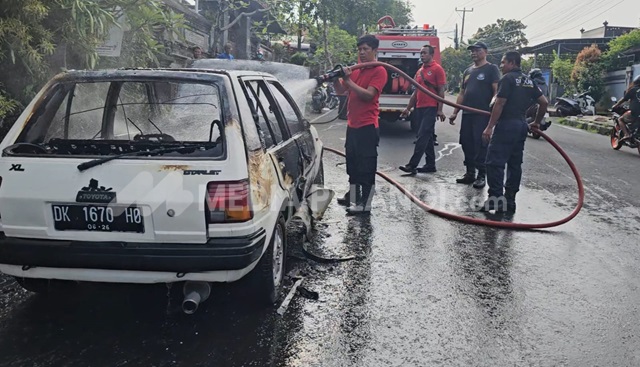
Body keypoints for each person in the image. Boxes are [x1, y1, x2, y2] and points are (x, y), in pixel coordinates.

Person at [479, 51, 548, 213]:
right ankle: (510, 200)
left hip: (506, 125)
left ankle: (495, 200)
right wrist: (536, 122)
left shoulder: (507, 79)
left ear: (512, 63)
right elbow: (544, 103)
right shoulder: (529, 81)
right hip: (521, 125)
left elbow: (500, 103)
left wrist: (489, 127)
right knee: (514, 164)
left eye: (503, 63)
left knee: (494, 163)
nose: (501, 66)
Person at [334, 34, 388, 215]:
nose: (362, 53)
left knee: (366, 167)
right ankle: (354, 197)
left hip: (367, 127)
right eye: (360, 49)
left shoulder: (379, 70)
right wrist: (335, 78)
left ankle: (366, 203)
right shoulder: (355, 70)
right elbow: (341, 91)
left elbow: (368, 95)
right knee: (353, 164)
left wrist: (348, 80)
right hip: (353, 126)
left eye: (366, 49)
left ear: (374, 50)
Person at [448, 41, 501, 189]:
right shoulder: (468, 71)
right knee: (466, 143)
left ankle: (481, 175)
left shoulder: (491, 69)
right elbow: (462, 93)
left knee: (481, 144)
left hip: (482, 114)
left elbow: (496, 91)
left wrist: (493, 109)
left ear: (485, 52)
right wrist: (455, 112)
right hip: (467, 113)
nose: (473, 53)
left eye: (477, 50)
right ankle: (470, 172)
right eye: (472, 51)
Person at [398, 44, 447, 174]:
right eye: (421, 53)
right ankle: (430, 164)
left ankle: (412, 165)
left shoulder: (437, 69)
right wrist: (408, 108)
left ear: (431, 55)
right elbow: (415, 92)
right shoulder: (419, 71)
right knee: (428, 137)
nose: (422, 55)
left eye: (425, 53)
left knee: (422, 135)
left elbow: (441, 91)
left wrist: (440, 109)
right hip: (419, 107)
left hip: (431, 107)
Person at [611, 74, 640, 141]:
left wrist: (615, 105)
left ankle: (627, 134)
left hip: (635, 113)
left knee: (620, 119)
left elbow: (624, 99)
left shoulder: (634, 90)